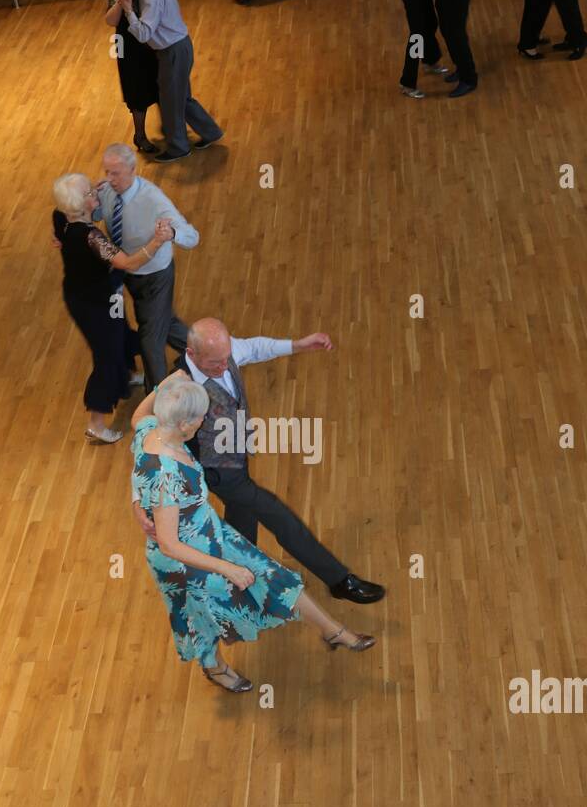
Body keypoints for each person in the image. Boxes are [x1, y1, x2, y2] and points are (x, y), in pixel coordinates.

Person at [131, 374, 376, 694]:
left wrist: (166, 384)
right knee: (203, 619)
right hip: (187, 562)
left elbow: (137, 418)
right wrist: (227, 568)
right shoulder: (167, 475)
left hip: (213, 534)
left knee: (272, 575)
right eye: (201, 416)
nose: (205, 420)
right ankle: (214, 667)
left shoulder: (151, 429)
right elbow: (168, 543)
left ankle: (332, 630)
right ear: (183, 425)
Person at [132, 317, 385, 606]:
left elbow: (254, 348)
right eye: (215, 363)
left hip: (237, 457)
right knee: (277, 514)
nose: (224, 367)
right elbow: (144, 431)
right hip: (216, 472)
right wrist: (138, 497)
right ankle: (339, 580)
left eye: (226, 358)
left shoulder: (223, 354)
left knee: (242, 526)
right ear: (192, 355)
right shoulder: (179, 389)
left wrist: (298, 345)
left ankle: (238, 584)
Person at [52, 173, 171, 443]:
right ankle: (96, 423)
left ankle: (126, 374)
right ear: (81, 205)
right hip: (95, 305)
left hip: (103, 297)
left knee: (121, 333)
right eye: (90, 191)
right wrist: (157, 241)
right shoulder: (91, 237)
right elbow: (128, 264)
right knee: (107, 355)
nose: (96, 191)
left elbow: (55, 216)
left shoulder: (63, 219)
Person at [94, 143, 198, 393]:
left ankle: (158, 401)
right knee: (165, 323)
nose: (109, 179)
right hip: (129, 274)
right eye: (107, 172)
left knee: (150, 340)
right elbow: (96, 213)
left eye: (115, 173)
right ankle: (208, 353)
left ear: (133, 169)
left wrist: (171, 232)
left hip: (155, 277)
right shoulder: (108, 191)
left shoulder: (153, 199)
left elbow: (192, 235)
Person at [106, 0, 224, 163]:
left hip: (172, 51)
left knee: (170, 101)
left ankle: (179, 147)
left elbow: (143, 34)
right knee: (182, 98)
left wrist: (128, 10)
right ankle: (211, 132)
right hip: (178, 47)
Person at [104, 0, 159, 154]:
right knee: (137, 91)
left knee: (159, 84)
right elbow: (110, 21)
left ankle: (168, 127)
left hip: (150, 42)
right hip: (130, 47)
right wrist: (121, 2)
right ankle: (140, 136)